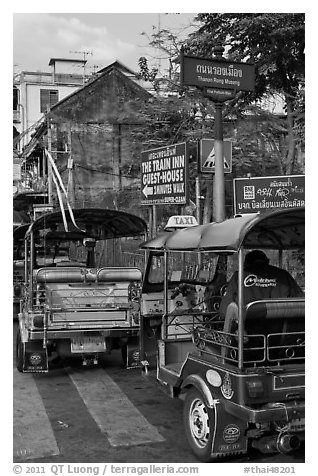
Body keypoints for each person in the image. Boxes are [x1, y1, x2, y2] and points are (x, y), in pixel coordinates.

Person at [219, 250, 304, 318]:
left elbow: (225, 309)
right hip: (282, 333)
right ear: (267, 261)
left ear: (246, 264)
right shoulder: (284, 275)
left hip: (247, 333)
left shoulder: (239, 276)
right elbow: (301, 302)